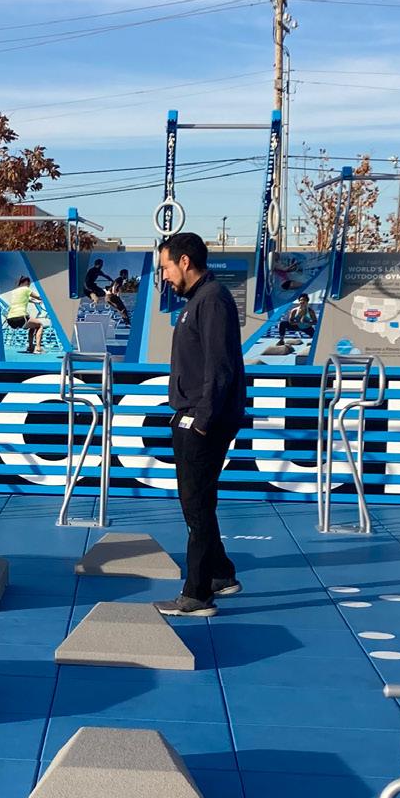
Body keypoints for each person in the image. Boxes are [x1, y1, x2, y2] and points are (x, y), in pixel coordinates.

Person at [154, 232, 246, 617]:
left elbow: (220, 366)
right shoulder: (198, 300)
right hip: (192, 415)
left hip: (204, 420)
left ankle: (197, 594)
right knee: (199, 503)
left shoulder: (212, 300)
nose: (165, 276)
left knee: (197, 507)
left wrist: (202, 421)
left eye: (166, 267)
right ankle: (221, 573)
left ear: (185, 261)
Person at [2, 275, 46, 354]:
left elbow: (28, 299)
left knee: (33, 326)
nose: (29, 285)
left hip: (10, 320)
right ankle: (38, 348)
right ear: (26, 282)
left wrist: (37, 302)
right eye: (29, 283)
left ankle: (30, 347)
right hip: (20, 317)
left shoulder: (14, 292)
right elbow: (39, 297)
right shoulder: (26, 289)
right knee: (40, 325)